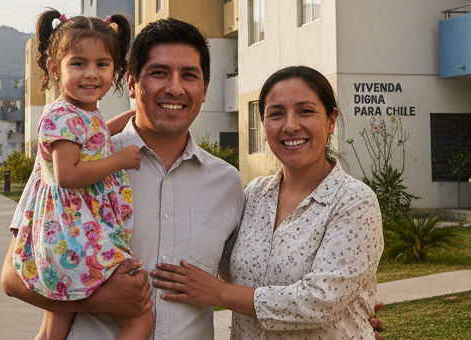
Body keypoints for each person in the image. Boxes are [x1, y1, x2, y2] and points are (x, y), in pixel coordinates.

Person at [2, 18, 245, 339]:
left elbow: (238, 278)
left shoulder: (227, 182)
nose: (175, 87)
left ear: (205, 89)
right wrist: (99, 299)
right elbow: (12, 278)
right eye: (159, 73)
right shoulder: (76, 156)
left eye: (189, 75)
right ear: (130, 83)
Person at [149, 65, 384, 338]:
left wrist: (220, 294)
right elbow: (223, 262)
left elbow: (319, 302)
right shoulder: (255, 195)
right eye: (276, 114)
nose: (291, 125)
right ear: (263, 124)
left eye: (305, 111)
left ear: (331, 120)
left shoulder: (353, 200)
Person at [7, 10, 153, 340]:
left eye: (102, 64)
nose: (91, 74)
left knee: (55, 327)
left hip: (67, 232)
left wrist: (131, 117)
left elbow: (95, 138)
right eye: (79, 64)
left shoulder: (82, 112)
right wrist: (120, 160)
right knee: (140, 317)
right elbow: (67, 174)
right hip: (75, 234)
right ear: (54, 68)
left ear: (115, 68)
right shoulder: (63, 115)